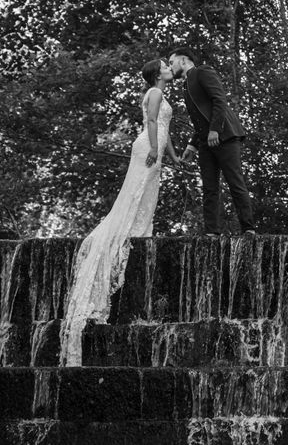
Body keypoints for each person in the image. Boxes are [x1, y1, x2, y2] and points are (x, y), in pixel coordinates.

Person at [59, 59, 179, 366]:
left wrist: (172, 155)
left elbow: (166, 128)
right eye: (165, 65)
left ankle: (138, 232)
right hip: (146, 148)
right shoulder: (154, 92)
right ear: (156, 73)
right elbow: (152, 123)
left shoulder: (162, 93)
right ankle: (126, 233)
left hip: (156, 148)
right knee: (135, 195)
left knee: (147, 197)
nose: (169, 67)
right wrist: (155, 148)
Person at [168, 47, 255, 236]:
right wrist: (192, 144)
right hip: (205, 141)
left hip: (225, 136)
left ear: (183, 61)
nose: (170, 67)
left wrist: (215, 129)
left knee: (235, 181)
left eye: (171, 62)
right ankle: (211, 233)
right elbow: (201, 119)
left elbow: (219, 100)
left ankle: (248, 228)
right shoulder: (186, 85)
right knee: (209, 188)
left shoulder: (203, 72)